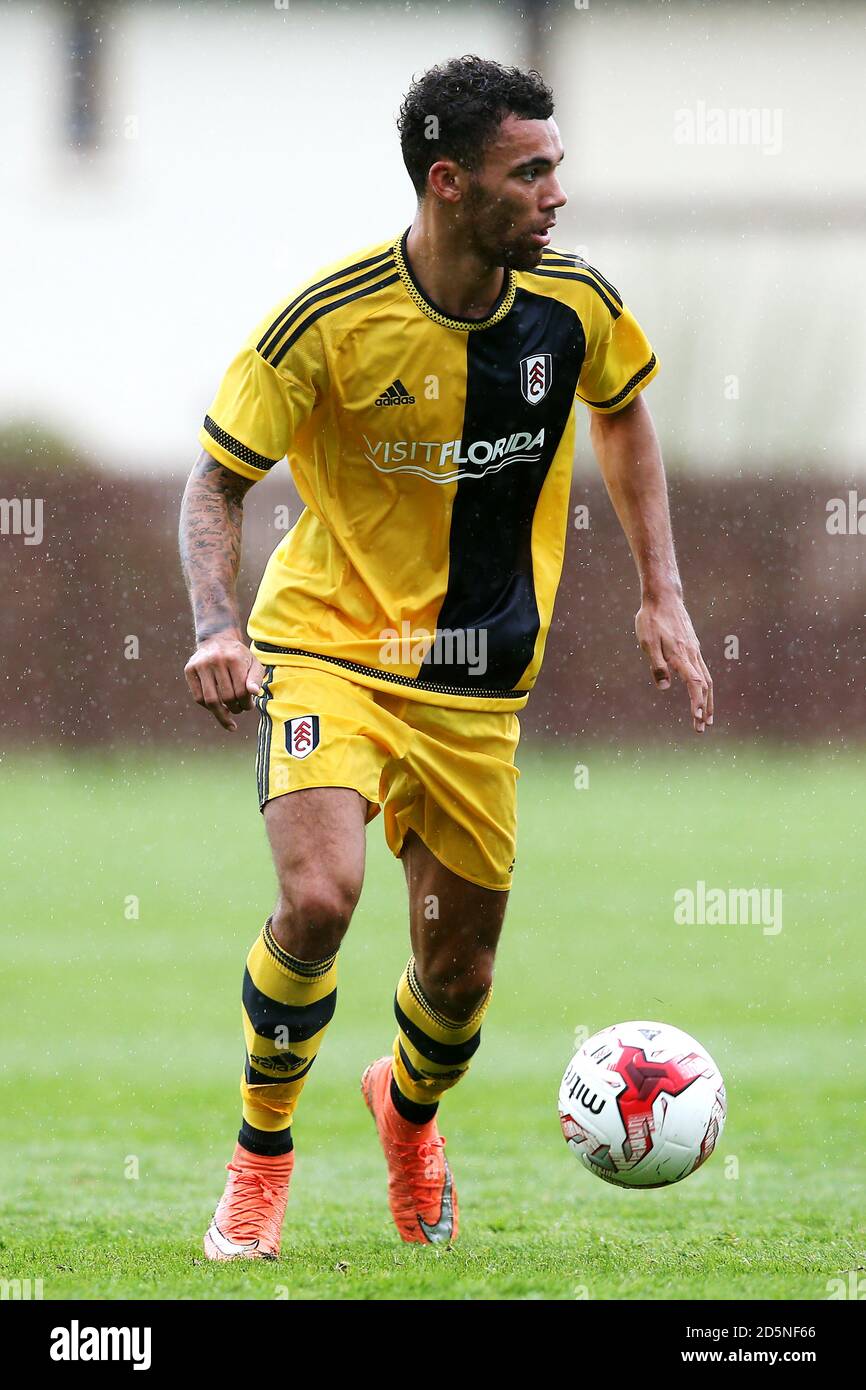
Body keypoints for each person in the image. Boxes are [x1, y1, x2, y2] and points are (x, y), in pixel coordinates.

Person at [179, 54, 713, 1260]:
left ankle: (407, 1114)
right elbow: (214, 483)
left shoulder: (572, 306)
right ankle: (259, 1159)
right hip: (328, 650)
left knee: (458, 977)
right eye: (532, 173)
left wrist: (660, 595)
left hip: (478, 684)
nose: (556, 194)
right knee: (318, 895)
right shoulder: (325, 320)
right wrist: (217, 626)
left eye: (556, 168)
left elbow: (620, 407)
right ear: (449, 183)